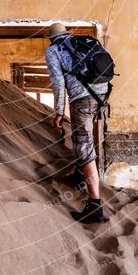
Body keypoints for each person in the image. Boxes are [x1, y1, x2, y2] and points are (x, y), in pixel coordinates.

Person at [45, 23, 108, 225]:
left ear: (51, 39)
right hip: (101, 97)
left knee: (84, 146)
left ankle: (95, 206)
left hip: (81, 100)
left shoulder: (54, 50)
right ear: (67, 33)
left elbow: (58, 83)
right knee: (86, 140)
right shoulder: (84, 43)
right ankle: (80, 176)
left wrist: (59, 112)